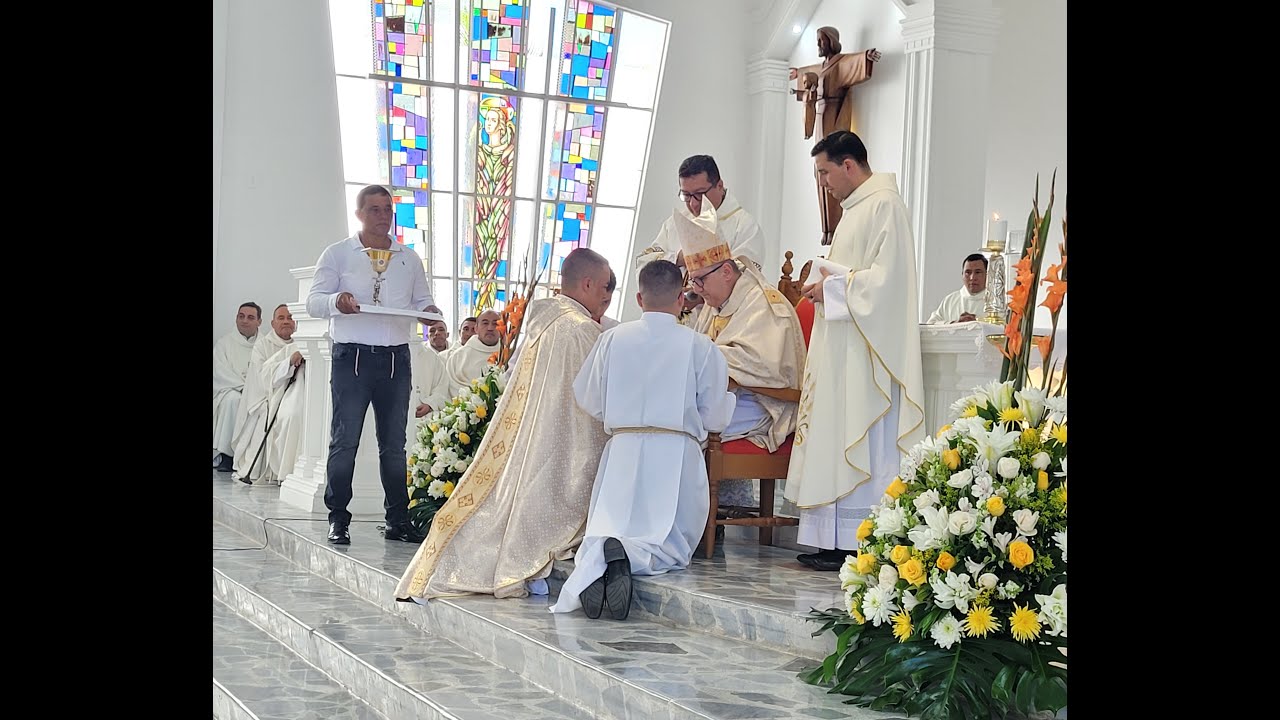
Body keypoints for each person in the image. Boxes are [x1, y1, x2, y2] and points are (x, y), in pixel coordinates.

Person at [394, 248, 614, 603]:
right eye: (604, 286)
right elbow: (594, 400)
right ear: (586, 283)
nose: (606, 294)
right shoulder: (581, 330)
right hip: (562, 440)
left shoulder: (541, 324)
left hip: (532, 435)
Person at [549, 260, 736, 620]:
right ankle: (627, 558)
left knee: (610, 524)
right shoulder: (701, 345)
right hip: (676, 455)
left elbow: (587, 396)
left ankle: (600, 557)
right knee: (669, 546)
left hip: (622, 451)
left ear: (638, 297)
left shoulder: (611, 339)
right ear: (682, 298)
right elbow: (714, 417)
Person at [789, 130, 926, 571]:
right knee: (835, 435)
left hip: (867, 354)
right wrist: (829, 284)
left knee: (862, 439)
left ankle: (856, 540)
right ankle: (832, 539)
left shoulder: (885, 204)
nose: (823, 183)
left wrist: (832, 284)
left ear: (849, 165)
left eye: (825, 172)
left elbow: (888, 283)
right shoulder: (854, 211)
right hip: (842, 349)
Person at [306, 184, 441, 546]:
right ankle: (338, 517)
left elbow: (423, 301)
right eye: (375, 209)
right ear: (360, 214)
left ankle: (398, 519)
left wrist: (429, 314)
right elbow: (314, 302)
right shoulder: (338, 254)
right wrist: (338, 300)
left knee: (394, 444)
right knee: (345, 440)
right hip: (352, 357)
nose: (383, 216)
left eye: (388, 209)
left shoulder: (408, 258)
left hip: (396, 358)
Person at [676, 200, 807, 510]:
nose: (697, 291)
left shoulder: (765, 304)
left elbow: (768, 367)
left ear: (725, 270)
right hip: (732, 398)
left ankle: (689, 517)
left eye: (700, 281)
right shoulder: (717, 300)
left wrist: (702, 361)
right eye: (692, 281)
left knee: (681, 426)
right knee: (671, 420)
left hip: (767, 405)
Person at [789, 27, 882, 245]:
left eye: (822, 40)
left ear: (832, 41)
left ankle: (834, 224)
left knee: (832, 169)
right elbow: (809, 74)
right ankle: (826, 227)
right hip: (819, 116)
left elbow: (852, 62)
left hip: (831, 114)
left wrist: (865, 57)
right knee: (819, 173)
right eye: (818, 41)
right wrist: (798, 74)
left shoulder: (839, 64)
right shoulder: (821, 67)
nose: (819, 45)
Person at [638, 155, 766, 272]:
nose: (693, 204)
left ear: (720, 186)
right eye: (686, 195)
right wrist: (679, 258)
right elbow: (644, 264)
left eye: (700, 194)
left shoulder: (745, 227)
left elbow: (746, 279)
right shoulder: (673, 224)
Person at [230, 304, 296, 484]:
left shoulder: (302, 344)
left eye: (290, 318)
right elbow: (260, 379)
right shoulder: (263, 346)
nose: (286, 322)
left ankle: (288, 470)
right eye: (281, 318)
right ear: (272, 323)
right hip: (265, 399)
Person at [213, 302, 261, 472]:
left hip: (258, 392)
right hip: (230, 390)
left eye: (250, 317)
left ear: (259, 322)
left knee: (259, 406)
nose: (244, 321)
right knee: (234, 401)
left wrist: (252, 390)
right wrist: (242, 387)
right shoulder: (224, 343)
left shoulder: (264, 344)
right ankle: (228, 455)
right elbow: (219, 372)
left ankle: (252, 457)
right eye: (241, 316)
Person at [406, 321, 452, 458]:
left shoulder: (431, 357)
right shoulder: (390, 354)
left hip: (425, 418)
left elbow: (442, 387)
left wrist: (429, 404)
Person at [444, 309, 501, 394]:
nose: (490, 328)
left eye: (495, 323)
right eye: (485, 323)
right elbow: (451, 387)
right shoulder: (458, 357)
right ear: (476, 329)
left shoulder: (510, 355)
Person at [926, 254, 988, 324]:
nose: (972, 278)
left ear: (987, 275)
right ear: (962, 275)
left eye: (977, 272)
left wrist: (977, 323)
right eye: (968, 272)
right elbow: (931, 324)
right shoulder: (950, 300)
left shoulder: (997, 302)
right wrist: (954, 323)